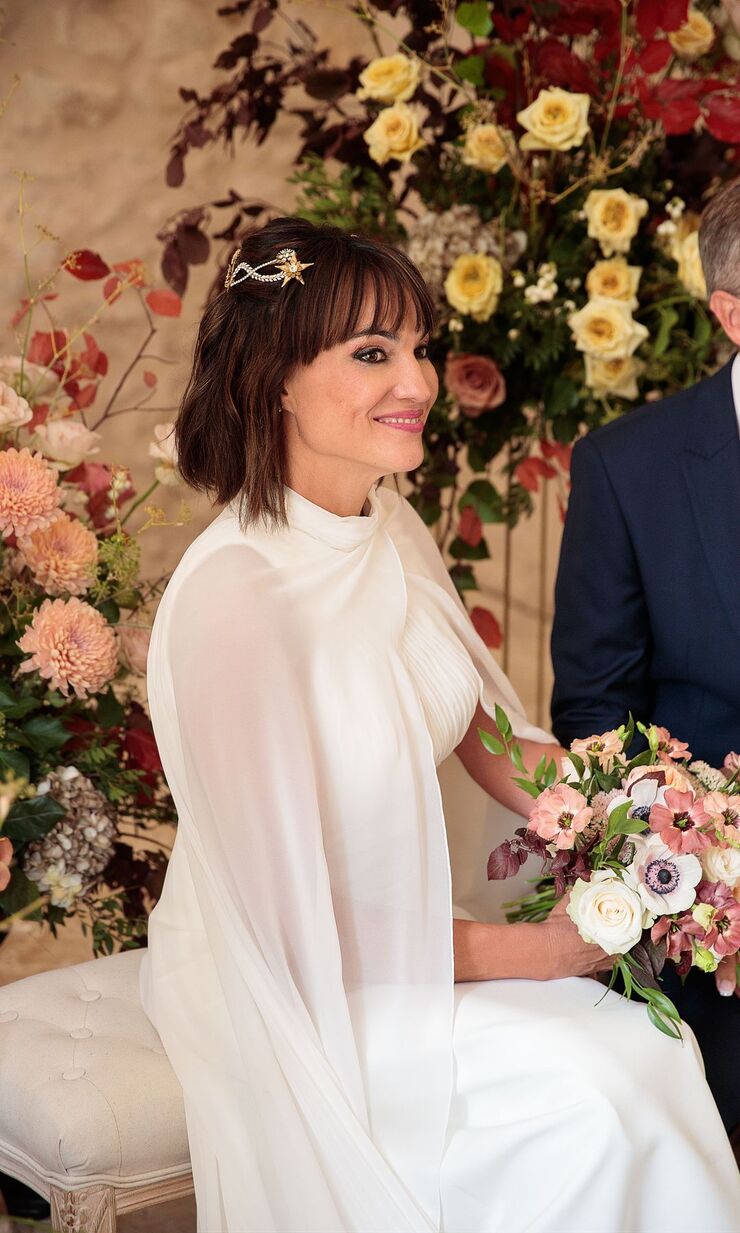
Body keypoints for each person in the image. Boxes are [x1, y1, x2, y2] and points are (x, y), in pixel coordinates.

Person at [140, 217, 740, 1233]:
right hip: (294, 980)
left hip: (409, 947)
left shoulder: (388, 529)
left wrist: (681, 825)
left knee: (648, 1052)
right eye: (371, 353)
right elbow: (295, 933)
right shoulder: (236, 598)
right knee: (594, 1104)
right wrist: (548, 951)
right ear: (274, 375)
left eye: (416, 347)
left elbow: (485, 739)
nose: (414, 382)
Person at [551, 176, 740, 1140]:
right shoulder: (629, 466)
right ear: (730, 311)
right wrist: (697, 866)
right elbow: (595, 703)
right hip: (721, 912)